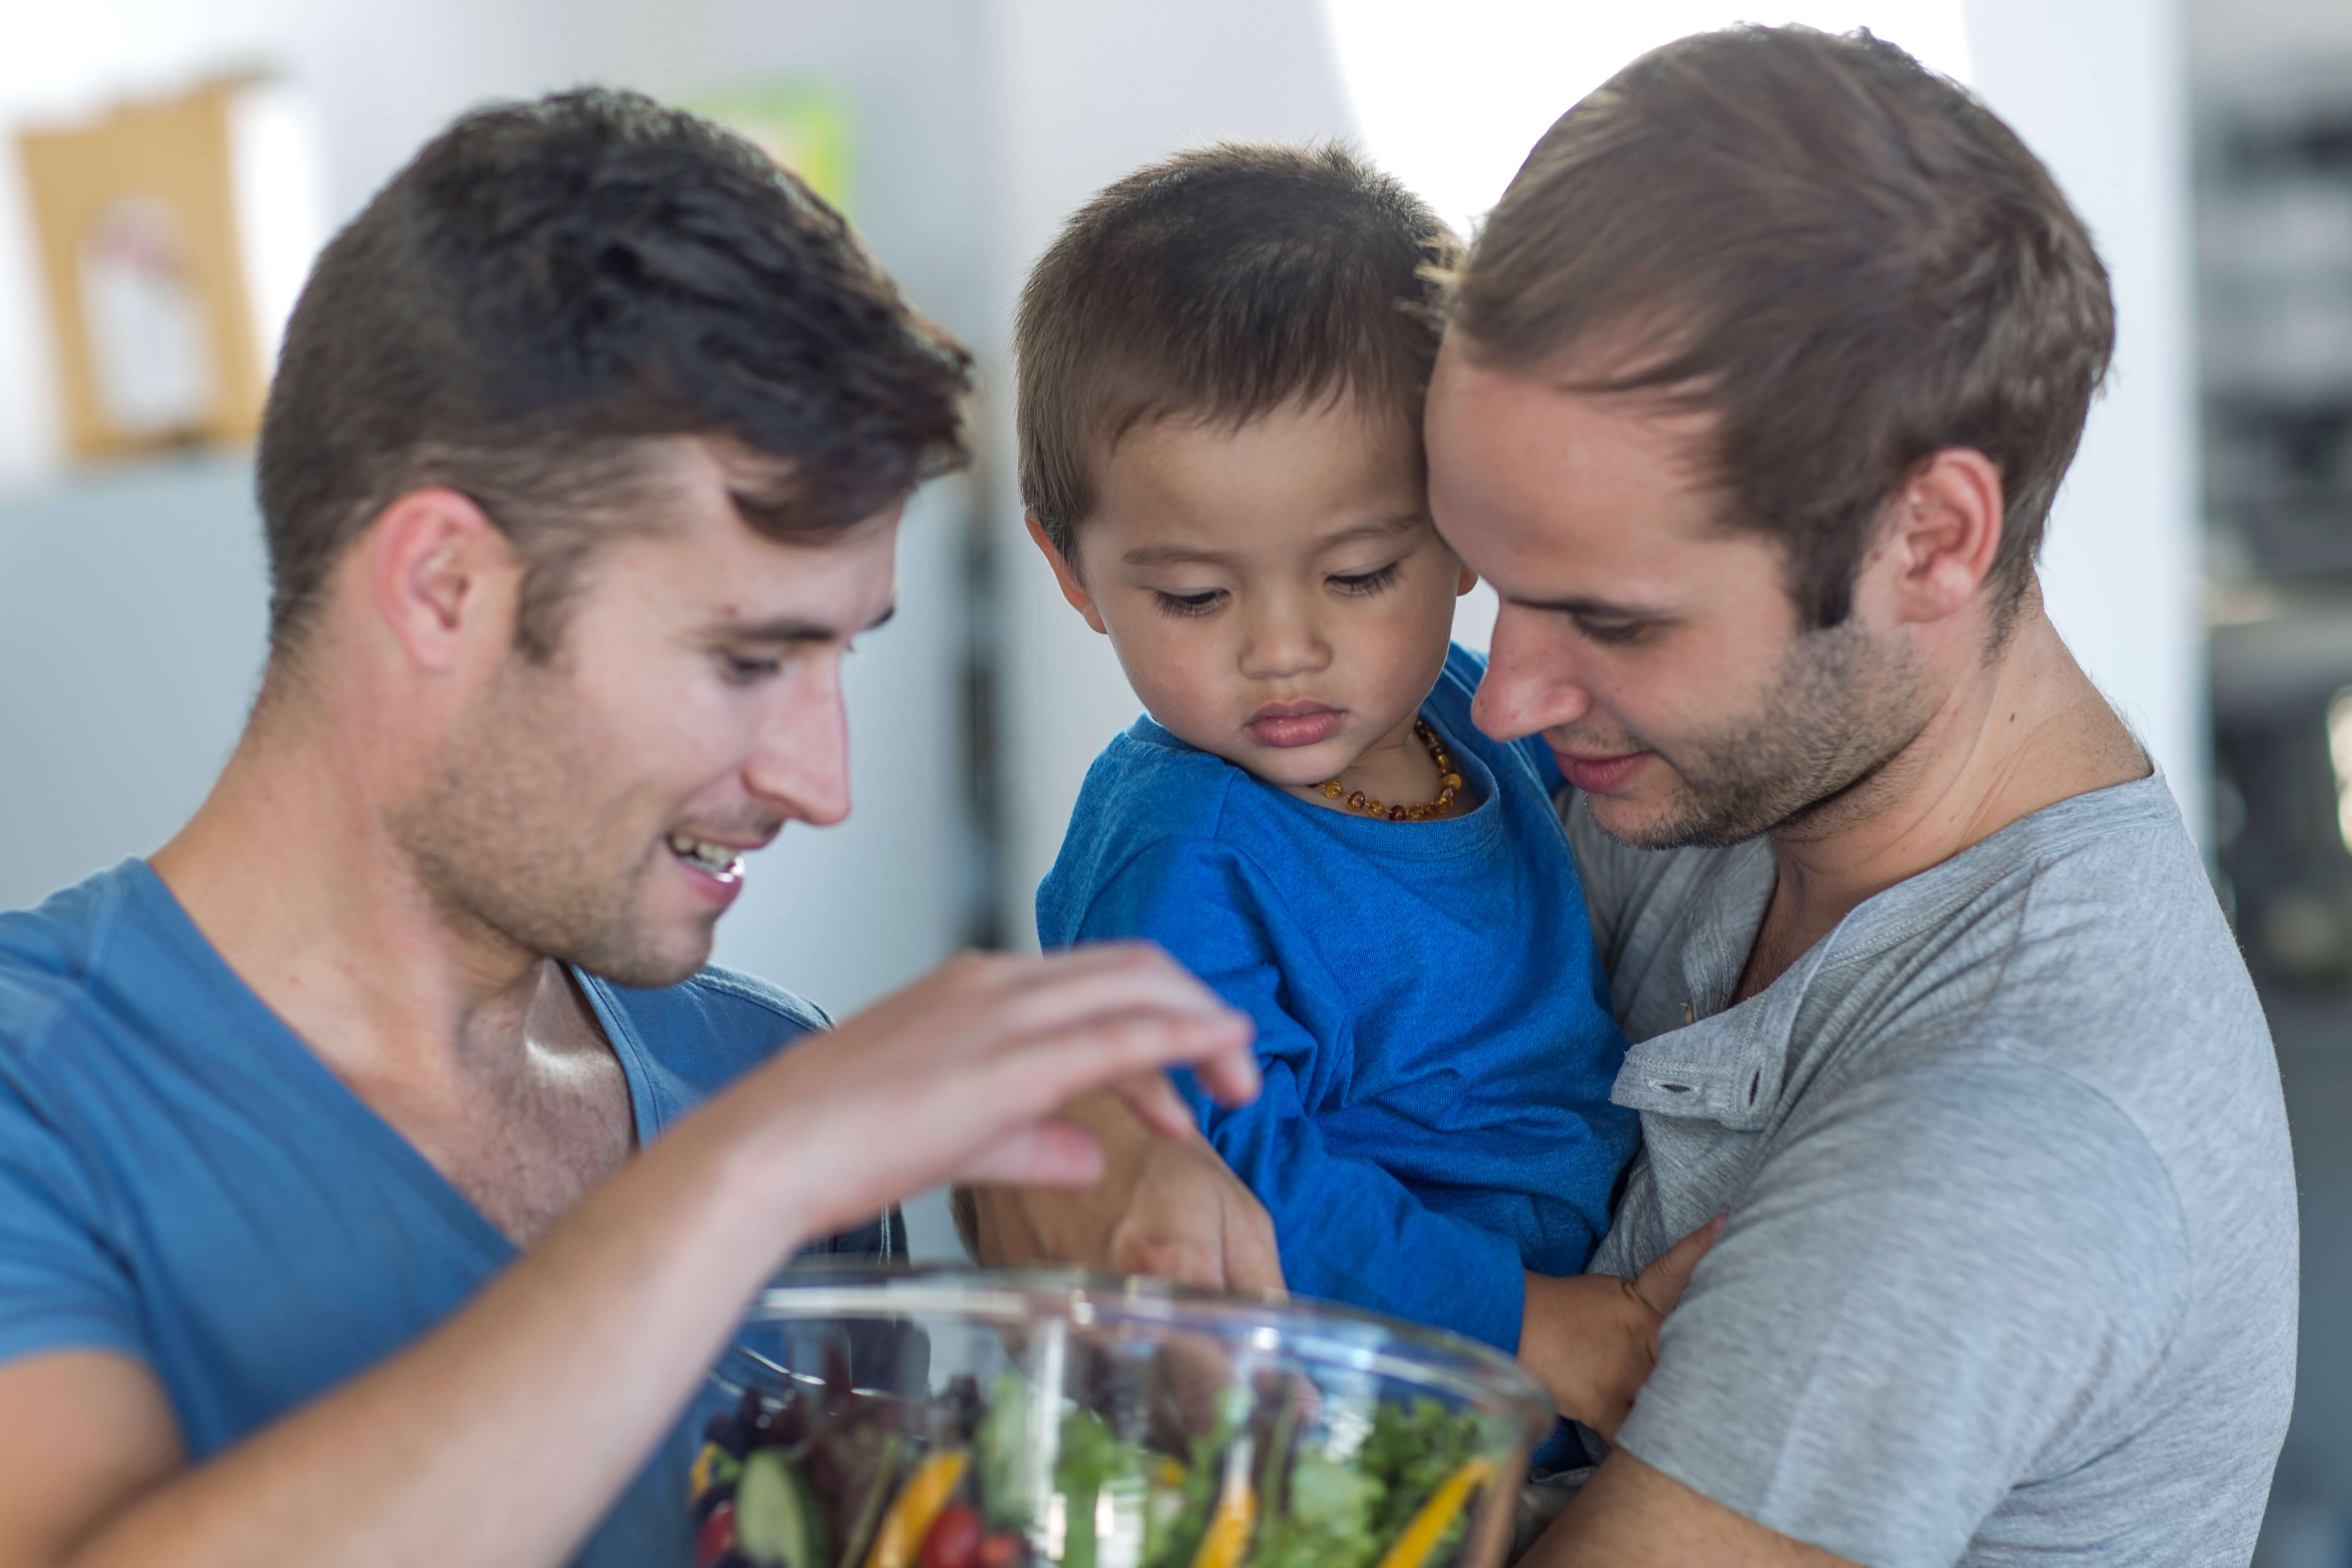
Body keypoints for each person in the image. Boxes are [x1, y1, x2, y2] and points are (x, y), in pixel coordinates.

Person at [971, 26, 2300, 1566]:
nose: (1512, 699)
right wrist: (1083, 1138)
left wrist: (1069, 1166)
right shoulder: (1648, 779)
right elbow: (1076, 1162)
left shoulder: (1997, 1143)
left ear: (1930, 539)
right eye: (1491, 573)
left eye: (1612, 617)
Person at [0, 90, 1262, 1568]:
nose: (822, 782)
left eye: (840, 656)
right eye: (747, 660)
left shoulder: (766, 1071)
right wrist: (747, 1177)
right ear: (444, 589)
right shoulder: (43, 1091)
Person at [1002, 142, 1715, 1445]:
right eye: (1196, 598)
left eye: (1358, 576)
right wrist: (1533, 1327)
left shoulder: (1462, 707)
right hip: (1340, 1421)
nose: (1285, 649)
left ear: (1464, 535)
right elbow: (1233, 1176)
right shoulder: (1179, 850)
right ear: (1072, 569)